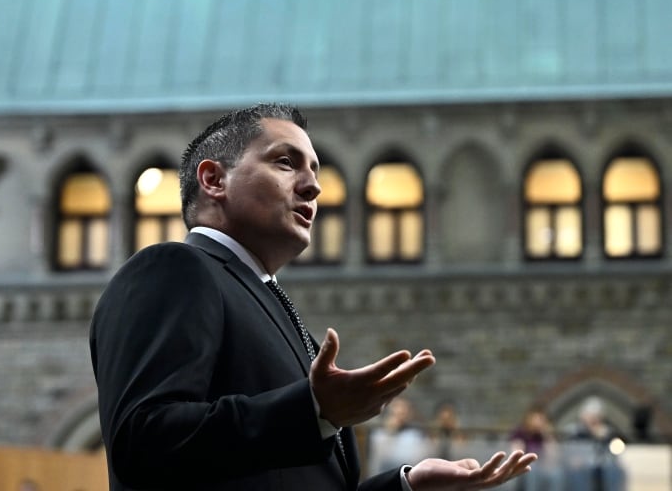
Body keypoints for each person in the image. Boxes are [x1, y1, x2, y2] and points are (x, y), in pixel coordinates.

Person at [89, 103, 537, 490]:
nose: (313, 187)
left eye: (315, 171)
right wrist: (314, 410)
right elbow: (143, 442)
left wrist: (407, 485)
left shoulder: (263, 296)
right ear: (213, 179)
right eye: (286, 163)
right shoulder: (173, 269)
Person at [367, 396, 427, 476]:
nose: (399, 417)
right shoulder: (379, 434)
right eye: (396, 413)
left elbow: (417, 460)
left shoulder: (416, 435)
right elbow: (377, 461)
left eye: (403, 413)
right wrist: (390, 431)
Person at [509, 407, 564, 491]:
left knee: (557, 472)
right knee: (533, 468)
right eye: (536, 419)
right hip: (525, 467)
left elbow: (553, 455)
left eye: (541, 420)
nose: (538, 422)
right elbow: (517, 453)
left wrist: (547, 435)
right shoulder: (520, 433)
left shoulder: (544, 435)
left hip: (543, 467)